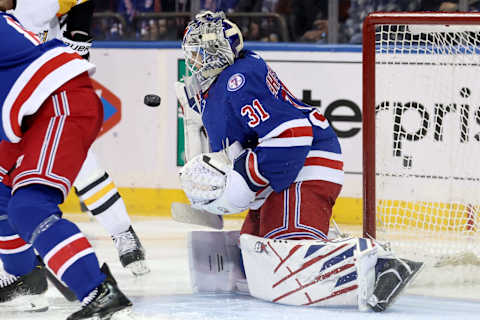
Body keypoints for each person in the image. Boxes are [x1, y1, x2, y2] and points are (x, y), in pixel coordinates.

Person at [177, 11, 424, 312]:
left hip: (304, 164)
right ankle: (324, 238)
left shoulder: (238, 81)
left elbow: (292, 136)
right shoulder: (219, 87)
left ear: (217, 53)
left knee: (289, 263)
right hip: (281, 171)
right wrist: (195, 127)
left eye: (200, 55)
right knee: (254, 254)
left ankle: (380, 263)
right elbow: (232, 153)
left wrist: (242, 183)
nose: (195, 62)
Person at [0, 1, 133, 318]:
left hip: (60, 103)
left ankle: (98, 290)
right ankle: (25, 276)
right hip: (31, 114)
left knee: (30, 206)